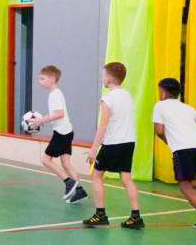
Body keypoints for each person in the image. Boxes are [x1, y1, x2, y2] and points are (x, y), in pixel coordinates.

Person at [152, 78, 196, 230]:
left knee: (184, 186)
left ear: (163, 93)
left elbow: (159, 131)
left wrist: (169, 142)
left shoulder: (159, 106)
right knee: (190, 179)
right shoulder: (186, 107)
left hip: (182, 148)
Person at [83, 62, 144, 229]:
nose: (102, 78)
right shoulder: (127, 95)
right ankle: (136, 216)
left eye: (103, 75)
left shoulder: (108, 99)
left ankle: (100, 215)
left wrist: (94, 149)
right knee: (126, 178)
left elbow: (102, 126)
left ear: (109, 78)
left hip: (112, 143)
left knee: (96, 176)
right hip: (128, 142)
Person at [31, 65, 87, 203]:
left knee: (45, 160)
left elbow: (59, 114)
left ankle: (68, 183)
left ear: (52, 79)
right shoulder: (57, 93)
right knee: (66, 163)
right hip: (67, 131)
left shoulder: (54, 95)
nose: (39, 81)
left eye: (42, 78)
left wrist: (41, 120)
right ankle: (79, 191)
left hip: (61, 133)